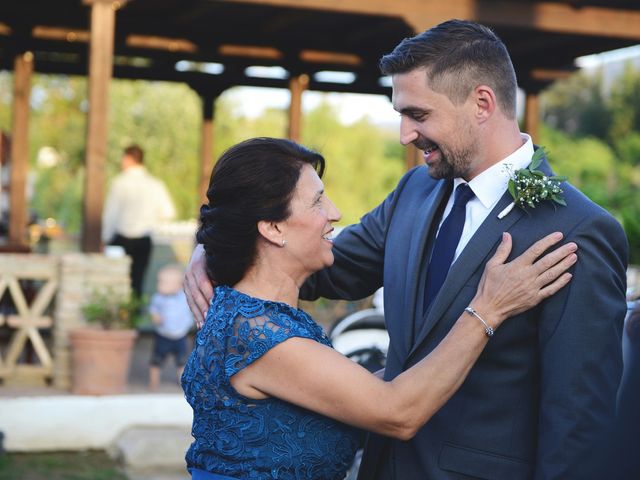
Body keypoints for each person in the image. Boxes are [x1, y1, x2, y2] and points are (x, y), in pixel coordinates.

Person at [185, 20, 629, 479]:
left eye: (418, 115)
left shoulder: (576, 229)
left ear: (482, 103)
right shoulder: (415, 191)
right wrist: (216, 245)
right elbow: (315, 264)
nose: (404, 134)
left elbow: (580, 421)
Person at [181, 137, 576, 480]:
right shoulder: (258, 335)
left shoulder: (254, 318)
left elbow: (368, 390)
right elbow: (397, 411)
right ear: (272, 228)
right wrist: (488, 309)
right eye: (317, 200)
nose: (334, 212)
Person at [102, 144, 176, 297]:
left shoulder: (120, 182)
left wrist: (104, 238)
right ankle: (132, 317)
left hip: (121, 238)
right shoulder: (155, 184)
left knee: (114, 281)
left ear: (128, 158)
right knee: (138, 282)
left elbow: (111, 214)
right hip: (144, 239)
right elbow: (168, 212)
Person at [148, 263, 193, 391]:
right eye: (159, 282)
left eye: (164, 283)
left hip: (180, 335)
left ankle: (182, 382)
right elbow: (154, 309)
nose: (159, 285)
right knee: (156, 360)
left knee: (182, 361)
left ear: (178, 285)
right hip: (163, 335)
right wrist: (155, 316)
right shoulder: (158, 298)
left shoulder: (185, 297)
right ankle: (153, 382)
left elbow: (191, 309)